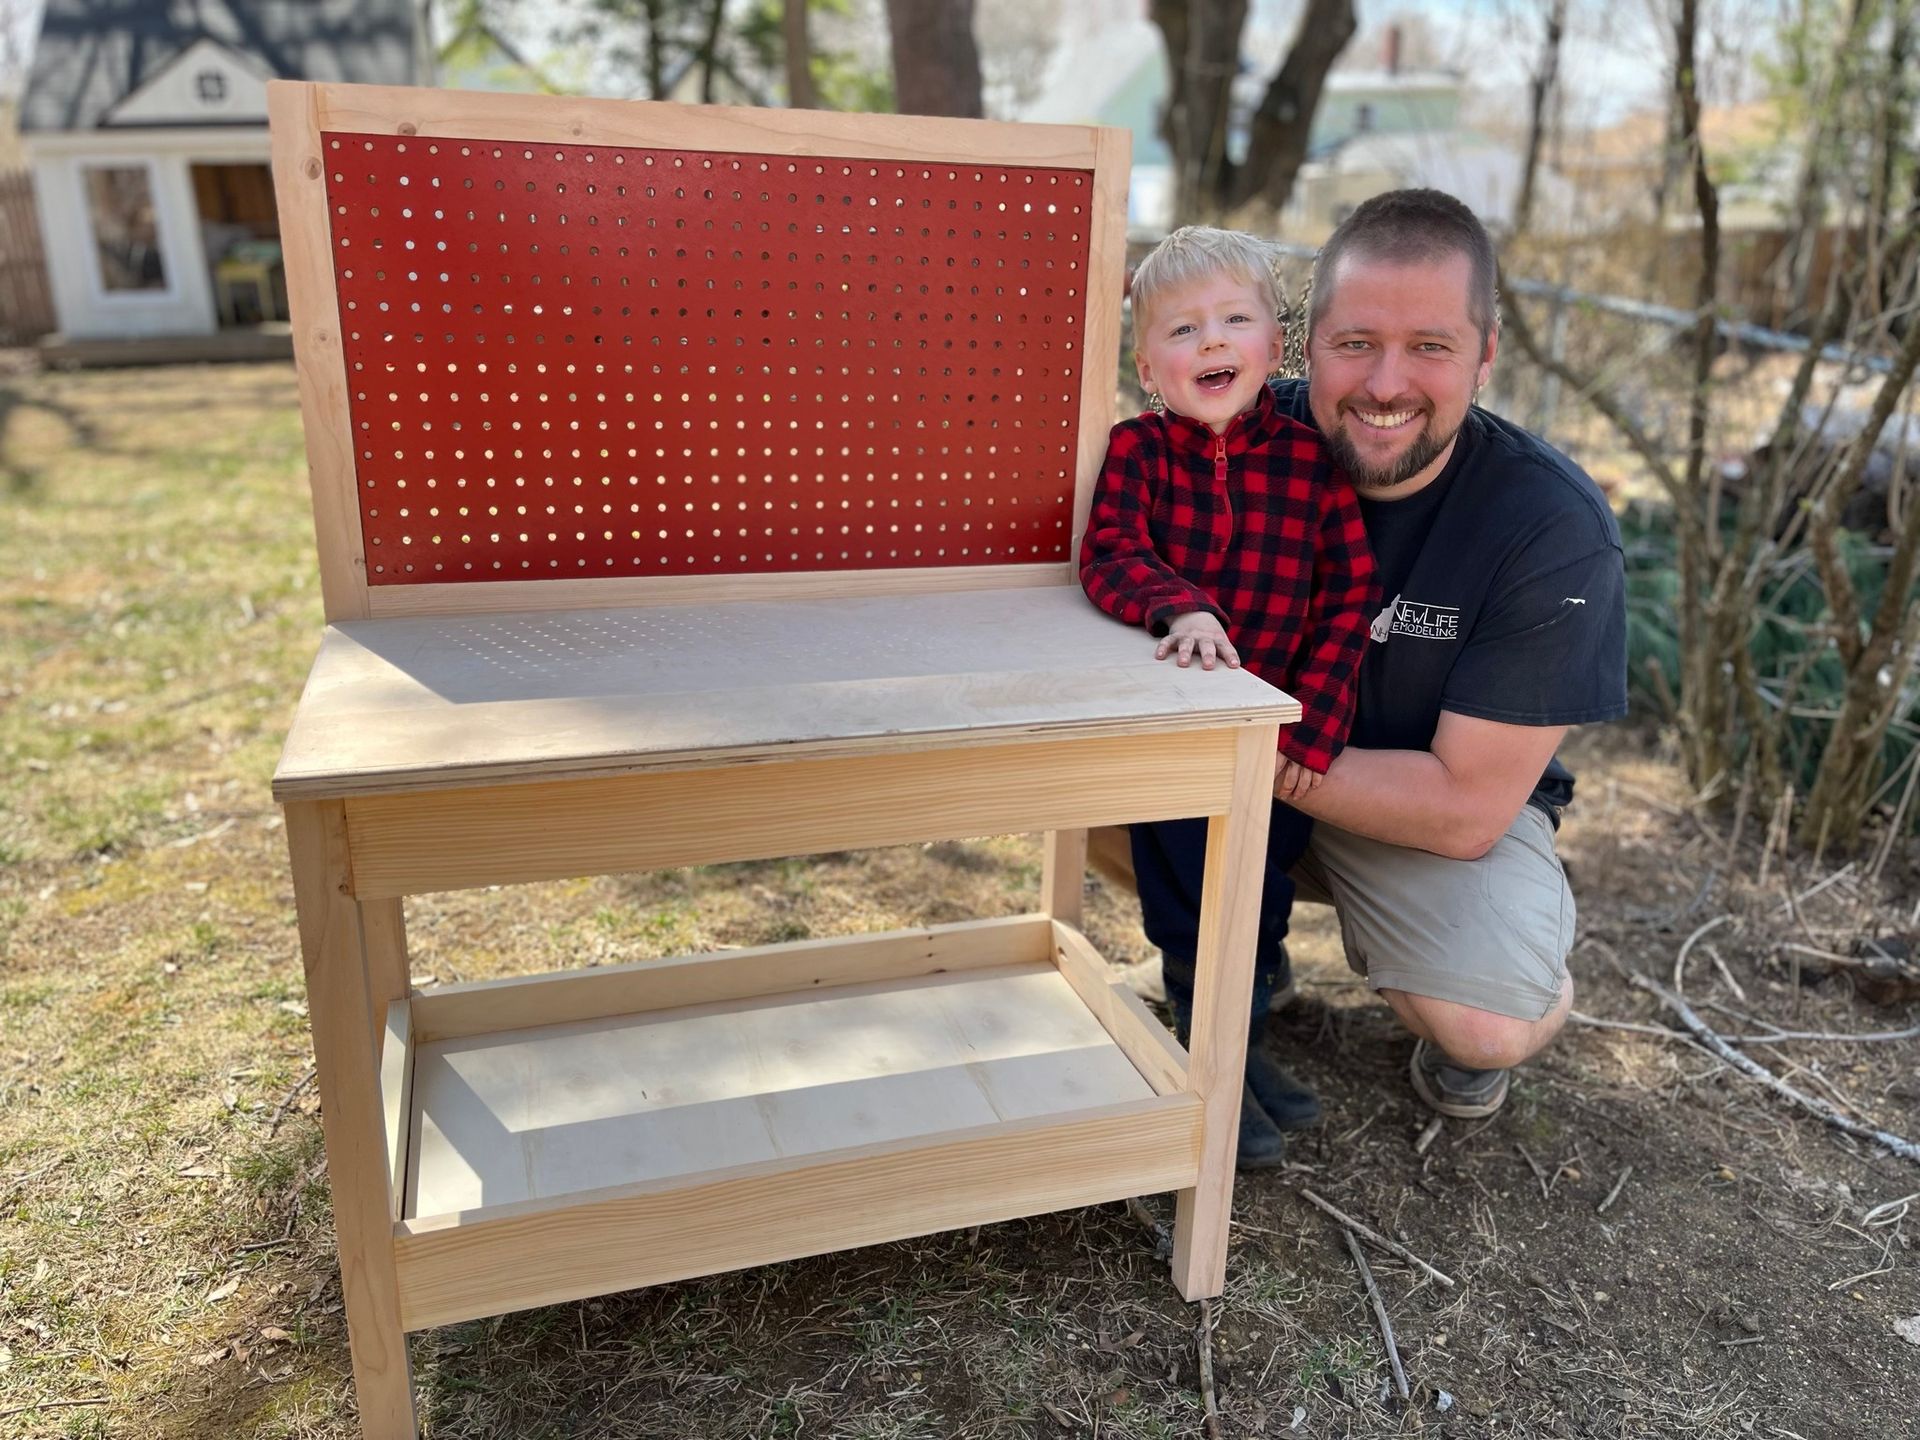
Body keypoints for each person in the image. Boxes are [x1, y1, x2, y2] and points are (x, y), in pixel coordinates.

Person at [1261, 188, 1629, 1119]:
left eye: (1430, 346)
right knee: (1097, 791)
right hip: (1260, 772)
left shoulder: (1550, 524)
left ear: (1486, 354)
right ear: (1311, 342)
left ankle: (1509, 950)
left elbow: (1466, 808)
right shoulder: (1232, 443)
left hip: (1427, 802)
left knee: (1485, 1024)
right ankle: (1235, 956)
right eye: (1356, 344)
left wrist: (1233, 753)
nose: (1386, 383)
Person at [1080, 225, 1378, 1168]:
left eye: (1233, 321)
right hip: (1173, 737)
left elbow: (1348, 600)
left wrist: (1314, 730)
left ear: (1274, 348)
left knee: (1259, 904)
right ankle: (1208, 1066)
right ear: (1146, 363)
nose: (1210, 343)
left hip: (1272, 745)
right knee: (1184, 908)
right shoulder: (1138, 454)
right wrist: (1182, 608)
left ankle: (1235, 1053)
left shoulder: (1313, 468)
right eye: (1182, 330)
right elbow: (1112, 555)